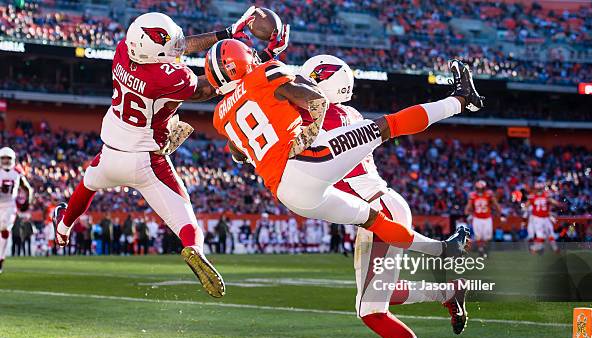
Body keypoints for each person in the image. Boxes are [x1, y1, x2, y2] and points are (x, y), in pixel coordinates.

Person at [51, 10, 289, 297]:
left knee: (88, 184)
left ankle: (63, 227)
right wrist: (258, 60)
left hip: (110, 153)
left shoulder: (123, 51)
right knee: (186, 219)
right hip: (146, 160)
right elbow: (210, 85)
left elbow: (175, 46)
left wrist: (226, 33)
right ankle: (194, 248)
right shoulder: (169, 78)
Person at [296, 54, 472, 338]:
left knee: (371, 310)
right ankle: (447, 293)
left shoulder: (328, 116)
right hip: (375, 211)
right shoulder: (344, 114)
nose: (303, 89)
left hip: (379, 213)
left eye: (310, 82)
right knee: (380, 297)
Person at [208, 40, 477, 259]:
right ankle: (461, 100)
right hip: (306, 162)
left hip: (288, 194)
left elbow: (239, 154)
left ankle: (443, 251)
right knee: (388, 125)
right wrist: (309, 134)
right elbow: (316, 99)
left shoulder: (219, 116)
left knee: (374, 221)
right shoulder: (265, 73)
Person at [0, 147, 33, 272]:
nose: (6, 160)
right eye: (3, 158)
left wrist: (27, 201)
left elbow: (27, 188)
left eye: (8, 158)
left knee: (4, 230)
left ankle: (1, 258)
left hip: (9, 204)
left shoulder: (17, 172)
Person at [464, 180, 502, 256]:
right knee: (478, 236)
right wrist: (467, 212)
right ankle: (481, 249)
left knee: (487, 237)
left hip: (487, 218)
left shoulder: (489, 195)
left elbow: (496, 204)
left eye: (481, 189)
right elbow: (469, 206)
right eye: (478, 189)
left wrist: (498, 210)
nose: (479, 190)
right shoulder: (473, 196)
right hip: (477, 218)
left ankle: (484, 248)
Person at [527, 181, 561, 253]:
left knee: (547, 234)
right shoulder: (545, 195)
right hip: (541, 218)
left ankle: (554, 248)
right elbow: (554, 202)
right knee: (545, 235)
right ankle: (534, 248)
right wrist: (558, 204)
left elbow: (526, 205)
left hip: (541, 218)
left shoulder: (533, 196)